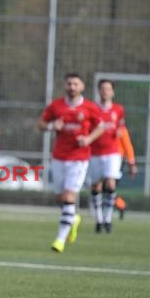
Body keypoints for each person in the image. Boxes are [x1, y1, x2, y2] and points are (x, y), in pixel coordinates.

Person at [38, 73, 103, 253]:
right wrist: (52, 126)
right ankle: (73, 219)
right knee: (60, 198)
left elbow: (101, 126)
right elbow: (41, 124)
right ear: (65, 86)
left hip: (79, 159)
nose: (72, 87)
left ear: (82, 86)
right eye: (69, 83)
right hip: (59, 157)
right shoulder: (56, 106)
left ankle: (60, 240)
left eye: (76, 84)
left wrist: (89, 138)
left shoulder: (90, 107)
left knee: (68, 197)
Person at [89, 80, 136, 233]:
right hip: (95, 152)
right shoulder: (92, 109)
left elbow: (123, 134)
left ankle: (108, 219)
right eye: (102, 89)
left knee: (110, 183)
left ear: (112, 92)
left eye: (108, 89)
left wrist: (131, 160)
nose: (105, 92)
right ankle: (99, 219)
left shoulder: (118, 110)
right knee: (96, 186)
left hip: (113, 153)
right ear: (98, 91)